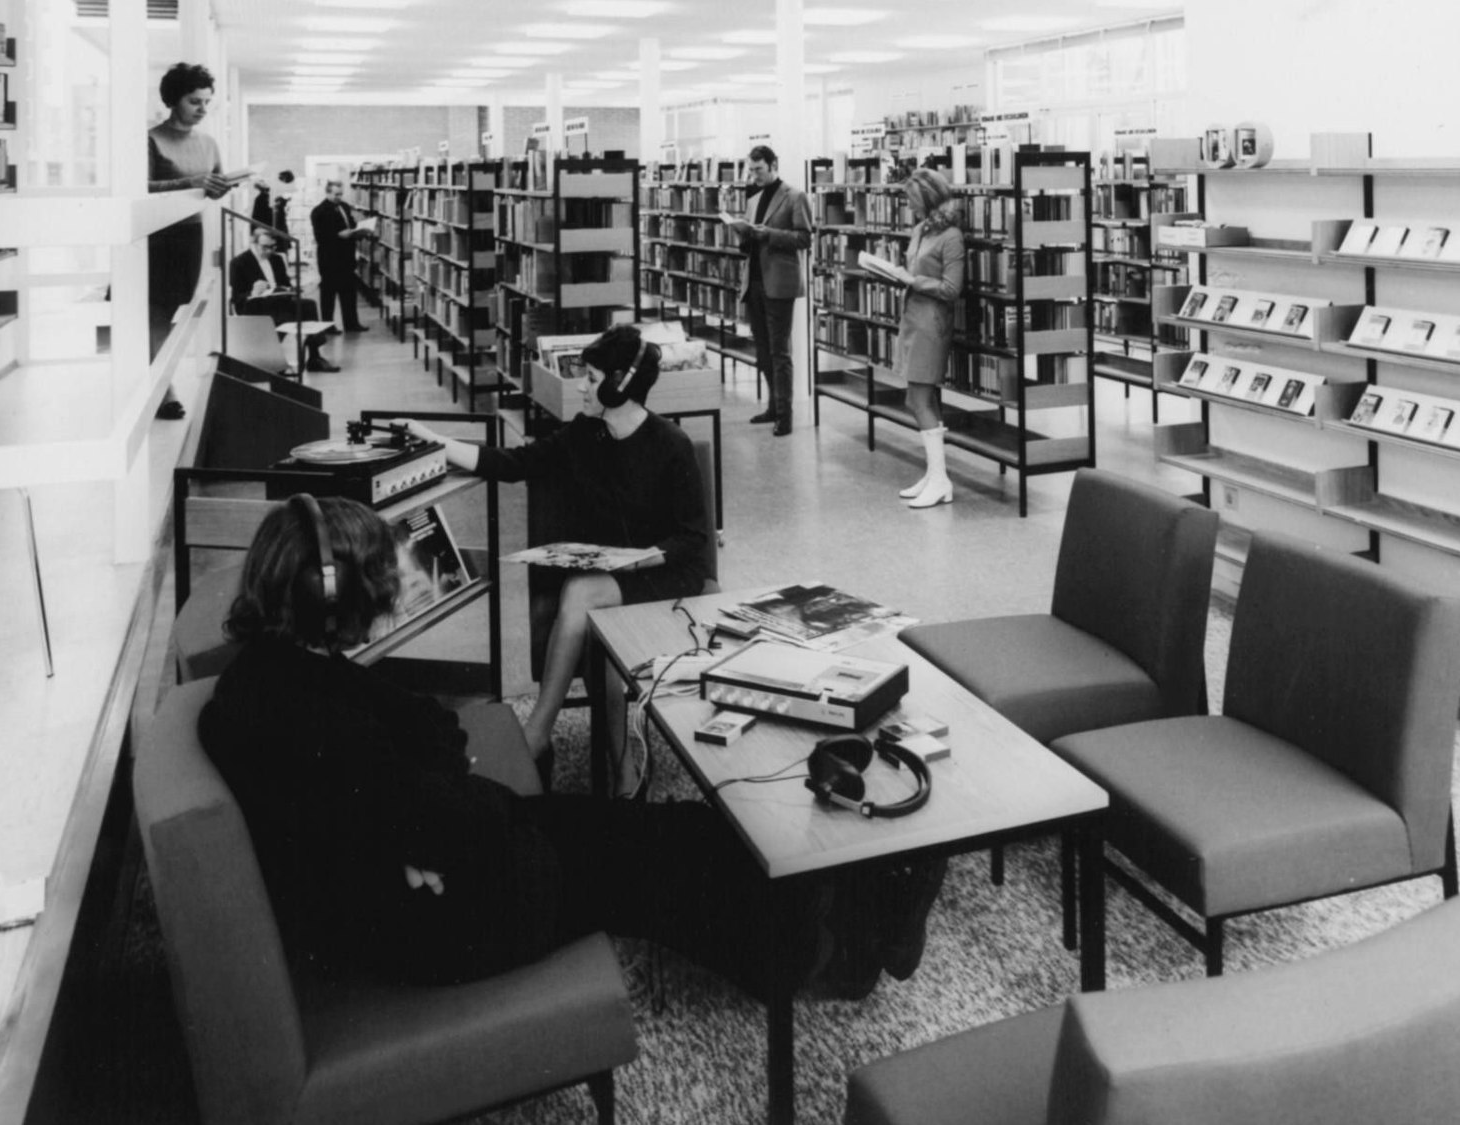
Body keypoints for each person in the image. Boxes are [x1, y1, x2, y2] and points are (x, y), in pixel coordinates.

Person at [198, 492, 945, 997]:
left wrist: (421, 826)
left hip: (433, 878)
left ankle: (835, 912)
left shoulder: (276, 673)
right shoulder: (306, 713)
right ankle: (836, 951)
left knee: (650, 834)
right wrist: (427, 827)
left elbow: (437, 730)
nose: (388, 600)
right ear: (333, 597)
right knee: (649, 873)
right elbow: (444, 791)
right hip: (426, 926)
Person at [400, 325, 704, 778]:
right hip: (611, 578)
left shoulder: (671, 444)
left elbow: (694, 539)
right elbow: (513, 464)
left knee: (581, 592)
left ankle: (538, 733)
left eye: (591, 376)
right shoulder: (583, 435)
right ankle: (621, 768)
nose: (581, 386)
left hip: (663, 573)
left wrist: (641, 558)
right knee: (595, 617)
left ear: (619, 383)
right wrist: (437, 442)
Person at [147, 62, 233, 419]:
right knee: (155, 316)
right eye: (195, 101)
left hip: (189, 235)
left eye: (206, 102)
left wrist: (218, 187)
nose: (202, 109)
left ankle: (158, 386)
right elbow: (141, 188)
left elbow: (211, 186)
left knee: (172, 313)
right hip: (156, 238)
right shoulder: (151, 139)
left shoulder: (209, 143)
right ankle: (164, 392)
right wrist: (191, 183)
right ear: (173, 99)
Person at [888, 169, 967, 509]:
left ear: (929, 199)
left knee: (917, 400)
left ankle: (940, 478)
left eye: (913, 200)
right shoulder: (920, 230)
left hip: (932, 325)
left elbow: (952, 289)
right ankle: (935, 475)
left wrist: (912, 280)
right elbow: (913, 271)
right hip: (912, 319)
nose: (909, 207)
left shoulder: (951, 236)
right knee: (922, 400)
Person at [726, 145, 811, 436]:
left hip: (779, 284)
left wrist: (769, 235)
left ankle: (785, 416)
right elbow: (750, 239)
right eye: (750, 170)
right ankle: (774, 406)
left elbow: (804, 238)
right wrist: (744, 236)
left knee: (779, 352)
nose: (754, 175)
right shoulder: (754, 197)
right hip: (755, 282)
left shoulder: (795, 196)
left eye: (759, 169)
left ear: (774, 165)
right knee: (763, 351)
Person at [229, 226, 339, 372]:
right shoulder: (239, 263)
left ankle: (314, 357)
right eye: (265, 247)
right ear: (254, 243)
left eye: (273, 247)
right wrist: (253, 292)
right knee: (284, 318)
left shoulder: (277, 259)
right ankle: (272, 360)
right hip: (256, 307)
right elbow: (237, 298)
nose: (269, 251)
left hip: (279, 302)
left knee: (308, 305)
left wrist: (294, 289)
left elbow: (285, 285)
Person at [309, 179, 373, 332]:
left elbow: (350, 225)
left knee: (349, 293)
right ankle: (328, 326)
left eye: (341, 194)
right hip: (329, 259)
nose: (339, 197)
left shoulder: (344, 206)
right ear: (328, 192)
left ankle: (351, 324)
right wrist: (338, 235)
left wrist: (358, 232)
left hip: (346, 257)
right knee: (328, 294)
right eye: (336, 194)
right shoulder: (319, 211)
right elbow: (320, 237)